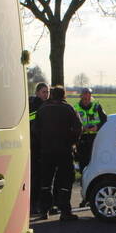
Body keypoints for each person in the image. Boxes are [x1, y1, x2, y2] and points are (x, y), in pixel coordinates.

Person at [34, 85, 82, 221]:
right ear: (63, 96)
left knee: (46, 181)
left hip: (46, 151)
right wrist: (72, 142)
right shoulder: (69, 109)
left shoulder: (42, 109)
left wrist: (43, 142)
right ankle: (65, 210)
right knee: (66, 180)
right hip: (64, 151)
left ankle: (44, 210)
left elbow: (35, 129)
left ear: (52, 95)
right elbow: (79, 128)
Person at [28, 82, 49, 215]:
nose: (46, 95)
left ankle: (42, 204)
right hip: (33, 144)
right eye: (43, 92)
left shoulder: (47, 105)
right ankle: (32, 204)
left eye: (47, 92)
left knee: (43, 176)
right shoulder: (34, 105)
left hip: (43, 145)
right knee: (34, 176)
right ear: (37, 93)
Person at [74, 87, 107, 174]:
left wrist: (97, 127)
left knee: (96, 161)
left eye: (89, 98)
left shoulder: (97, 106)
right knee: (83, 163)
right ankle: (83, 181)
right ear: (80, 97)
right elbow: (72, 125)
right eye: (85, 98)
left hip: (95, 138)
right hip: (82, 138)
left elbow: (105, 120)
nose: (87, 100)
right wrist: (81, 129)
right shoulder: (75, 108)